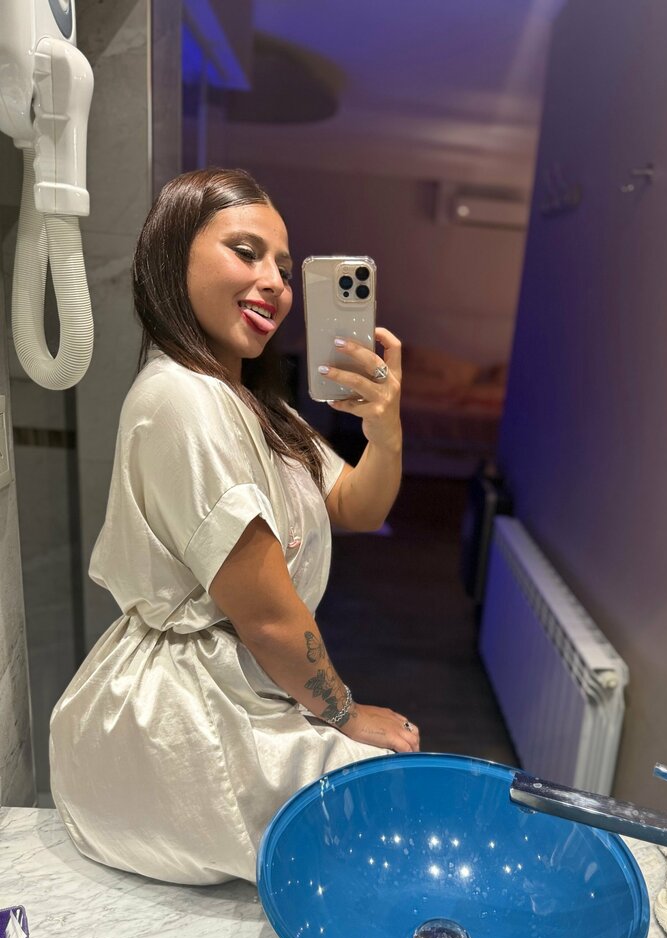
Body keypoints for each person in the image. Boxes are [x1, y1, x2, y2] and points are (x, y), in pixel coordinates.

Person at [49, 168, 419, 886]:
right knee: (385, 811)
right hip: (180, 716)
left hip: (243, 690)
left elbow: (358, 507)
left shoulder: (254, 405)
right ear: (172, 257)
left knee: (385, 814)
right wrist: (344, 714)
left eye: (283, 267)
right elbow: (268, 617)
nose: (274, 282)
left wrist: (386, 429)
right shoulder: (182, 399)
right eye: (246, 253)